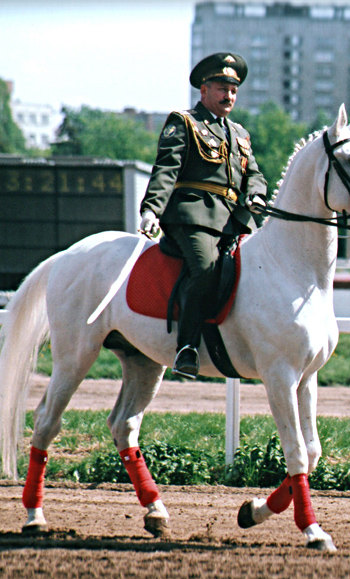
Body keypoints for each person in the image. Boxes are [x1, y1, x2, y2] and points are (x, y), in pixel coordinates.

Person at [139, 52, 267, 379]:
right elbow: (166, 169)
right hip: (193, 216)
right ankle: (187, 347)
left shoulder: (239, 133)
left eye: (234, 90)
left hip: (234, 220)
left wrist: (255, 194)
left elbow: (253, 173)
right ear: (204, 90)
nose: (229, 96)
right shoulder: (184, 122)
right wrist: (152, 208)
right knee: (206, 268)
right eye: (222, 88)